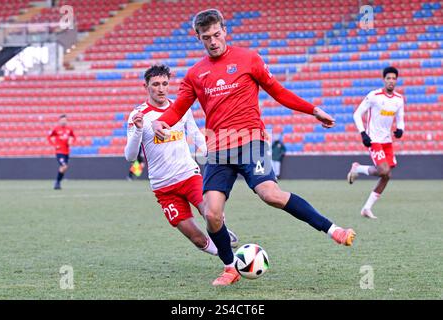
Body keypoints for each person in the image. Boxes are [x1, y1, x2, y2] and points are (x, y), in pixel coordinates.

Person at [152, 9, 356, 286]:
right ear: (198, 37)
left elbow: (278, 91)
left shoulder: (248, 59)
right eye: (206, 37)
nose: (213, 41)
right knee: (212, 213)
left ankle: (333, 230)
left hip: (251, 142)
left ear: (224, 30)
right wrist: (161, 122)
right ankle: (229, 267)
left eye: (216, 34)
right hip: (219, 148)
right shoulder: (195, 74)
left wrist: (313, 110)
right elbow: (177, 108)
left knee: (270, 194)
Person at [124, 64, 238, 257]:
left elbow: (195, 134)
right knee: (197, 238)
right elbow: (130, 156)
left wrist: (212, 155)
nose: (161, 88)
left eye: (165, 84)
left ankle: (231, 258)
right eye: (156, 84)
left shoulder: (181, 109)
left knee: (211, 212)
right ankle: (225, 253)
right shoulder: (138, 115)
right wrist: (137, 130)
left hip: (188, 175)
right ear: (146, 87)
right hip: (163, 186)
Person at [347, 66, 405, 219]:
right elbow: (357, 114)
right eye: (388, 78)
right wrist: (363, 133)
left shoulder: (399, 99)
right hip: (374, 140)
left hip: (387, 141)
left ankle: (366, 208)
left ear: (396, 80)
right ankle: (358, 169)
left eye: (394, 78)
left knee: (386, 175)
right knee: (384, 171)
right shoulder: (374, 96)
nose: (391, 81)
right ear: (384, 80)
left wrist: (400, 129)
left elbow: (400, 118)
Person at [47, 114, 76, 190]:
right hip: (59, 151)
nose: (64, 121)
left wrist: (71, 142)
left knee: (63, 168)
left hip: (66, 152)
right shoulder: (56, 129)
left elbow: (74, 137)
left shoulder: (69, 129)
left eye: (65, 120)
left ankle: (58, 182)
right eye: (62, 120)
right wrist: (54, 145)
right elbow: (49, 137)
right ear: (59, 121)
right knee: (64, 166)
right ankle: (57, 182)